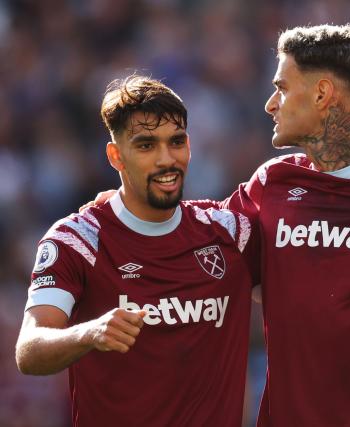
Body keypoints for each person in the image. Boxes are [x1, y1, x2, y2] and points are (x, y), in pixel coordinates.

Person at [85, 25, 350, 426]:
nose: (270, 103)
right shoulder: (273, 183)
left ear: (322, 94)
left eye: (281, 87)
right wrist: (131, 209)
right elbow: (199, 243)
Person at [15, 75, 256, 426]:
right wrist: (90, 332)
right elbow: (29, 350)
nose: (165, 159)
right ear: (116, 156)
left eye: (176, 142)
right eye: (146, 145)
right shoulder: (79, 239)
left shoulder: (231, 232)